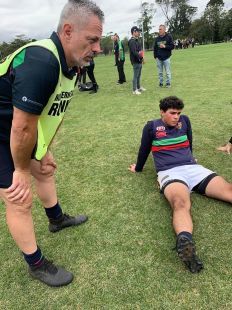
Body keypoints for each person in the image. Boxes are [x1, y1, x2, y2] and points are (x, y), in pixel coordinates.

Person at [0, 0, 104, 287]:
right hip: (5, 130)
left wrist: (45, 149)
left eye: (99, 41)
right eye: (92, 40)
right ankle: (36, 264)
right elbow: (21, 126)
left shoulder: (71, 65)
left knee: (45, 170)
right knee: (18, 195)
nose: (97, 48)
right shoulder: (43, 61)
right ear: (68, 31)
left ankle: (56, 219)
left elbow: (53, 113)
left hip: (16, 126)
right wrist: (20, 170)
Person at [129, 96, 232, 273]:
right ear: (162, 112)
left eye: (178, 113)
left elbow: (189, 141)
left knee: (228, 190)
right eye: (172, 113)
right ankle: (186, 243)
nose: (176, 116)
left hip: (193, 168)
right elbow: (144, 149)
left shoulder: (185, 121)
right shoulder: (151, 127)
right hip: (170, 172)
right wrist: (138, 168)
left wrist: (190, 157)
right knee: (181, 203)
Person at [128, 26, 146, 95]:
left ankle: (138, 87)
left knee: (139, 75)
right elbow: (134, 52)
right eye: (137, 32)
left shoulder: (136, 40)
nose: (139, 33)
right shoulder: (132, 41)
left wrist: (142, 57)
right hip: (135, 61)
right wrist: (141, 58)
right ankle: (134, 90)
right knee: (135, 76)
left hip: (139, 60)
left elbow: (139, 51)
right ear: (134, 32)